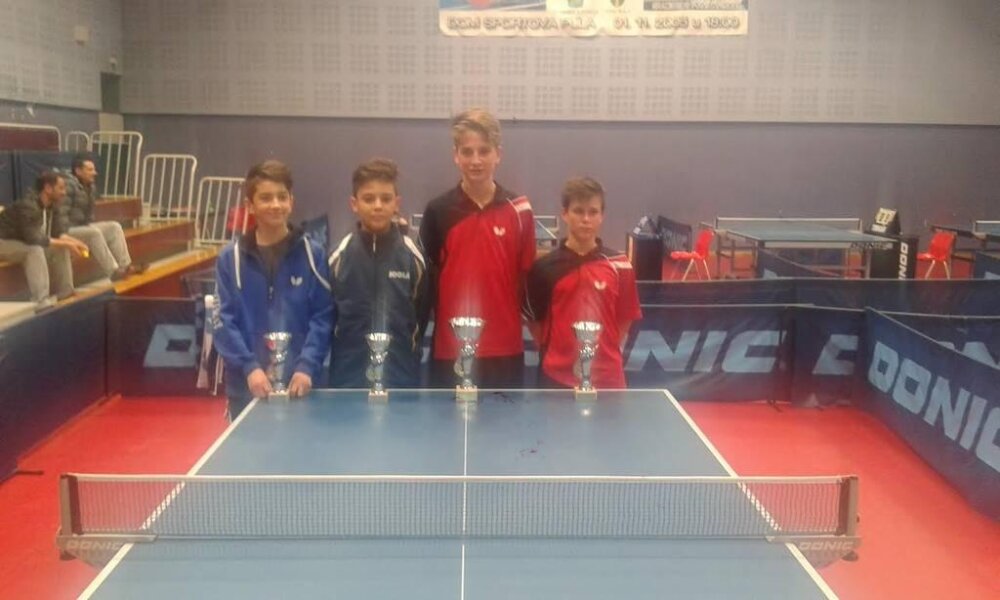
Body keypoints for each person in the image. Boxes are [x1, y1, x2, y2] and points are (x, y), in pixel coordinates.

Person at [419, 108, 535, 388]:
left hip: (505, 349)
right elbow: (427, 284)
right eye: (467, 152)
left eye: (484, 151)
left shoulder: (520, 210)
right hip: (451, 349)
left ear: (498, 154)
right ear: (455, 155)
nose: (476, 160)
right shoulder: (437, 211)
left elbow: (527, 281)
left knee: (505, 419)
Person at [213, 160, 333, 418]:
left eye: (282, 197)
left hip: (301, 384)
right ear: (250, 205)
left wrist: (307, 366)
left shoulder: (313, 255)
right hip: (247, 387)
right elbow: (223, 321)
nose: (276, 205)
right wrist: (249, 367)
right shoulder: (229, 258)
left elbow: (323, 316)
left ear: (292, 201)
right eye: (266, 198)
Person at [524, 177, 641, 389]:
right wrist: (558, 352)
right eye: (578, 211)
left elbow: (625, 317)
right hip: (556, 377)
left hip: (607, 378)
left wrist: (603, 350)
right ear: (565, 214)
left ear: (602, 216)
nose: (586, 219)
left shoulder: (620, 266)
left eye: (593, 212)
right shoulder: (543, 268)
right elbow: (534, 322)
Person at [328, 158, 430, 388]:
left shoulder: (413, 257)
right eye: (368, 199)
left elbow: (420, 317)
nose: (377, 206)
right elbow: (329, 317)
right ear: (354, 204)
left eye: (385, 199)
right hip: (348, 377)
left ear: (397, 203)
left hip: (400, 376)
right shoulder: (338, 257)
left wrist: (410, 354)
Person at [0, 171, 88, 308]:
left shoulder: (51, 207)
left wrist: (75, 243)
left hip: (19, 242)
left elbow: (57, 234)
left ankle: (66, 292)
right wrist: (67, 244)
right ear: (48, 188)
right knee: (34, 250)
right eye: (61, 188)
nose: (64, 192)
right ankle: (41, 300)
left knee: (60, 248)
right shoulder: (28, 205)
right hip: (3, 241)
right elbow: (34, 238)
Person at [62, 155, 143, 280]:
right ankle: (113, 271)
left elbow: (88, 214)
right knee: (94, 233)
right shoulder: (67, 186)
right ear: (78, 171)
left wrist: (86, 224)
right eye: (90, 170)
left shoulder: (90, 186)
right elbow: (60, 215)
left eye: (94, 169)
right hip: (64, 230)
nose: (94, 173)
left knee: (114, 227)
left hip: (81, 226)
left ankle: (125, 266)